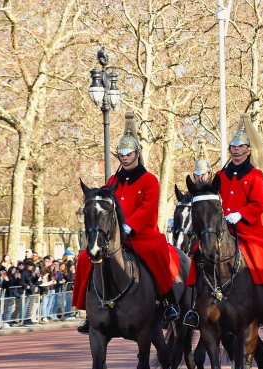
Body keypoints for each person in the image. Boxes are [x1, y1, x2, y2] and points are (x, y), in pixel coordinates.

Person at [74, 111, 182, 335]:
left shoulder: (149, 179)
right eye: (121, 153)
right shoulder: (113, 180)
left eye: (128, 153)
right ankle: (88, 311)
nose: (124, 157)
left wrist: (129, 225)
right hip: (114, 236)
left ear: (137, 154)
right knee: (85, 257)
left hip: (141, 234)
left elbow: (148, 207)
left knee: (156, 253)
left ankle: (168, 301)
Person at [183, 114, 263, 329]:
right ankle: (196, 307)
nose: (234, 151)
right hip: (223, 229)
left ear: (248, 151)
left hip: (249, 228)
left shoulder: (255, 175)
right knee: (198, 253)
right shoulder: (221, 175)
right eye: (232, 147)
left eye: (239, 147)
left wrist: (240, 214)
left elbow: (258, 204)